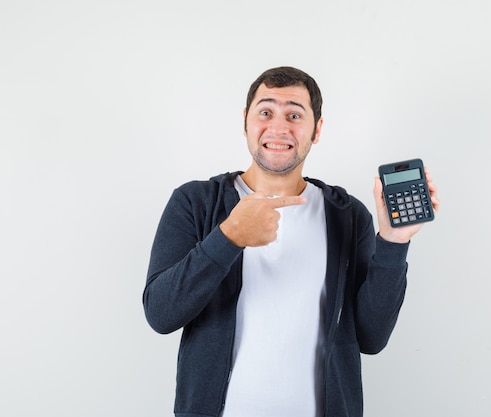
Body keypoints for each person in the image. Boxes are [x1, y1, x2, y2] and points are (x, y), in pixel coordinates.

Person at [143, 66, 440, 417]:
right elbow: (160, 314)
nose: (279, 127)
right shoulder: (195, 202)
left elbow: (372, 338)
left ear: (317, 130)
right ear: (246, 122)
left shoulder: (347, 215)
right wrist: (228, 237)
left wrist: (393, 240)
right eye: (265, 111)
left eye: (294, 115)